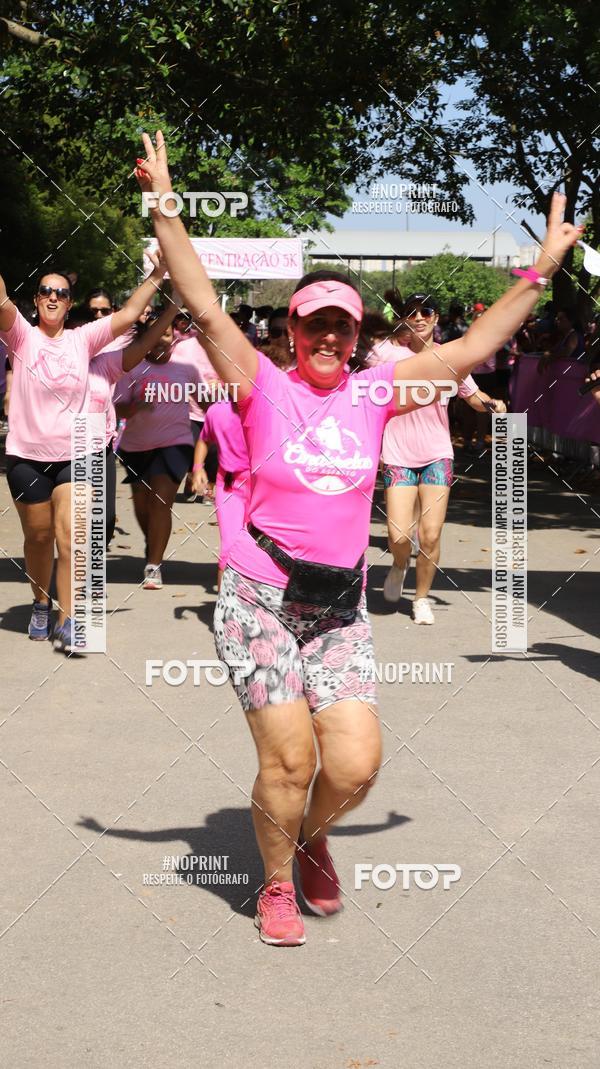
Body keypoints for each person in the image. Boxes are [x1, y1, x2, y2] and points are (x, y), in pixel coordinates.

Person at [136, 129, 580, 947]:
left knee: (354, 766)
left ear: (357, 329)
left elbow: (475, 347)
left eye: (343, 324)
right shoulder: (261, 383)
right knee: (290, 763)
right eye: (316, 325)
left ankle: (312, 834)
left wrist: (542, 269)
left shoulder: (378, 390)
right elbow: (201, 301)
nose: (330, 337)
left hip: (338, 604)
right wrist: (165, 205)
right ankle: (274, 884)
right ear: (293, 331)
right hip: (260, 595)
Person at [0, 256, 168, 650]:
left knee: (71, 536)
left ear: (70, 303)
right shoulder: (21, 336)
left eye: (61, 292)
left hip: (76, 455)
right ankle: (41, 602)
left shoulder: (83, 339)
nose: (53, 297)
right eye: (46, 291)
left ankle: (69, 618)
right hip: (27, 458)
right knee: (38, 538)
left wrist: (158, 276)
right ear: (37, 300)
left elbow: (128, 314)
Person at [381, 294, 507, 624]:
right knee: (398, 535)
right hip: (397, 453)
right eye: (412, 312)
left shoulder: (449, 358)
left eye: (427, 311)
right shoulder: (386, 355)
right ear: (404, 318)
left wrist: (493, 404)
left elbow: (473, 396)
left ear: (436, 318)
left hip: (437, 453)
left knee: (431, 533)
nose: (420, 317)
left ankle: (421, 598)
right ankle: (398, 564)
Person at [114, 312, 204, 589]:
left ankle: (154, 565)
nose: (160, 342)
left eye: (165, 335)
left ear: (173, 338)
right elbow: (117, 407)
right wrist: (134, 407)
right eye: (155, 336)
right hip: (136, 446)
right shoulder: (131, 369)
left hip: (176, 442)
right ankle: (152, 543)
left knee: (161, 502)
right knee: (142, 505)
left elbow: (205, 402)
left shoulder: (186, 368)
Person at [191, 397, 251, 590]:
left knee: (260, 548)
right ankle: (224, 611)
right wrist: (198, 468)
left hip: (265, 487)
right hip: (230, 485)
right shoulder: (218, 410)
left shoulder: (269, 406)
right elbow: (204, 439)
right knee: (229, 547)